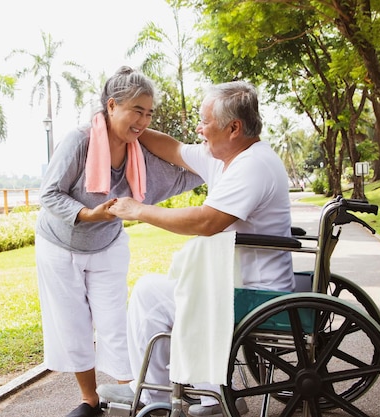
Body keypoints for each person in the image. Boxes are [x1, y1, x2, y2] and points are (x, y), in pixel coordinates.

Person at [97, 81, 295, 417]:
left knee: (148, 293)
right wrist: (133, 127)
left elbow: (207, 221)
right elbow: (173, 149)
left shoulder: (252, 166)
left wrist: (139, 210)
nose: (199, 130)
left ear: (233, 128)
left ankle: (153, 394)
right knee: (168, 291)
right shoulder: (225, 156)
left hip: (255, 293)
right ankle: (207, 393)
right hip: (237, 282)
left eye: (205, 122)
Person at [35, 66, 203, 417]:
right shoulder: (79, 141)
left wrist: (219, 159)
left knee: (114, 321)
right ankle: (89, 401)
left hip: (108, 245)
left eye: (149, 113)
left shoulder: (139, 151)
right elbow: (49, 194)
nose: (143, 121)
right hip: (60, 245)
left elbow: (184, 173)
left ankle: (138, 393)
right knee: (73, 322)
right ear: (111, 106)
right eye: (136, 111)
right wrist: (88, 214)